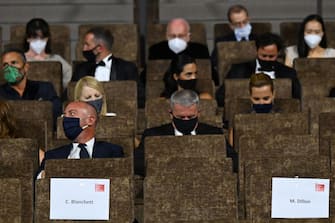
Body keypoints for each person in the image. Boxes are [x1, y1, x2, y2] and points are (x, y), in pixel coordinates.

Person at [134, 89, 237, 176]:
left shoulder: (215, 134)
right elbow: (137, 163)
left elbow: (234, 161)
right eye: (181, 117)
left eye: (191, 117)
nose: (186, 120)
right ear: (171, 114)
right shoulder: (153, 136)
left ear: (198, 113)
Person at [38, 101, 124, 177]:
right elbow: (38, 182)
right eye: (64, 115)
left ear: (90, 120)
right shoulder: (52, 156)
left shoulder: (112, 152)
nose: (65, 119)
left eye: (72, 114)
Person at [216, 32, 301, 107]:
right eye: (263, 56)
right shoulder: (239, 70)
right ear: (257, 51)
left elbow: (297, 101)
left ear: (278, 53)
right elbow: (221, 96)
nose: (267, 59)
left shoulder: (289, 73)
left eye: (271, 56)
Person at [0, 48, 62, 128]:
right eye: (5, 65)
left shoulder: (45, 88)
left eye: (14, 63)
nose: (9, 68)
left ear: (26, 67)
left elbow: (56, 116)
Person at [71, 27, 138, 82]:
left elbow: (138, 94)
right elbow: (69, 93)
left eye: (87, 45)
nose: (84, 49)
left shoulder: (127, 68)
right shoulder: (81, 69)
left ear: (100, 48)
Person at [211, 5, 256, 85]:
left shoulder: (258, 39)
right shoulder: (222, 42)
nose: (242, 26)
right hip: (232, 81)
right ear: (231, 26)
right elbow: (214, 63)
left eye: (244, 22)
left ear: (248, 20)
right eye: (238, 24)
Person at [23, 18, 72, 89]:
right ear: (28, 38)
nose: (38, 41)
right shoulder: (20, 59)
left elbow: (69, 76)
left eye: (42, 38)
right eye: (35, 37)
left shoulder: (56, 59)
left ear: (47, 39)